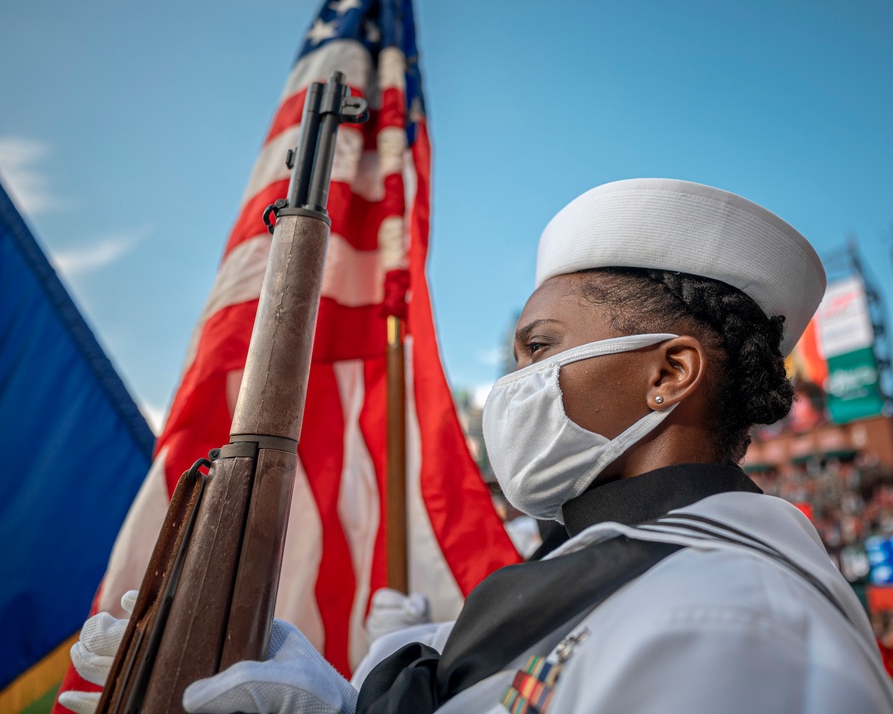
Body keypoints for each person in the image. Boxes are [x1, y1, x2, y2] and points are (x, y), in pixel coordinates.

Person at [61, 178, 893, 713]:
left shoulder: (726, 618)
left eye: (541, 349)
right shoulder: (624, 576)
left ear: (669, 373)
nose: (515, 385)